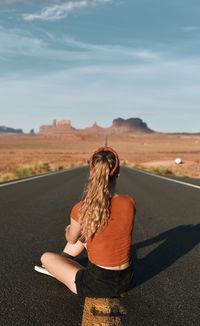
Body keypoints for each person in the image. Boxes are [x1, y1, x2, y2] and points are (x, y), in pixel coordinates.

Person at [37, 146, 136, 298]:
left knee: (46, 257)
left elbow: (71, 239)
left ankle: (58, 266)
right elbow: (113, 230)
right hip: (126, 279)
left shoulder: (81, 208)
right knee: (84, 234)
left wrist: (69, 228)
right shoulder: (129, 202)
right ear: (118, 174)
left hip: (97, 285)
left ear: (92, 173)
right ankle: (62, 262)